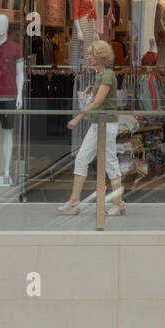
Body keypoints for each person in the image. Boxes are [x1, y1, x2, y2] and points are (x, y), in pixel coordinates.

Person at [58, 39, 125, 216]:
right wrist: (91, 88)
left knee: (109, 163)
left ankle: (117, 203)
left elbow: (98, 102)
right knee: (84, 159)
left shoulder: (107, 75)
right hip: (100, 124)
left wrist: (77, 118)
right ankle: (75, 200)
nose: (89, 57)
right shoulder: (103, 75)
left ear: (99, 56)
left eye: (91, 55)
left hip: (105, 124)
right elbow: (100, 96)